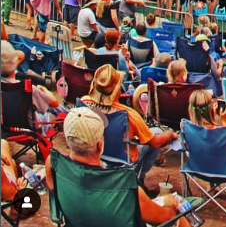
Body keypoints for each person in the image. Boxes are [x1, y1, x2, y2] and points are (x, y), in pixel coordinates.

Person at [44, 107, 190, 227]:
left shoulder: (53, 164)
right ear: (100, 145)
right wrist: (171, 205)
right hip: (122, 211)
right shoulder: (125, 186)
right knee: (179, 217)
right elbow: (167, 218)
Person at [81, 63, 179, 195]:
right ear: (117, 90)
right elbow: (154, 142)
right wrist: (170, 135)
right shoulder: (127, 114)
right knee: (157, 132)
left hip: (94, 154)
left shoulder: (84, 102)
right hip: (122, 159)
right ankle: (138, 178)